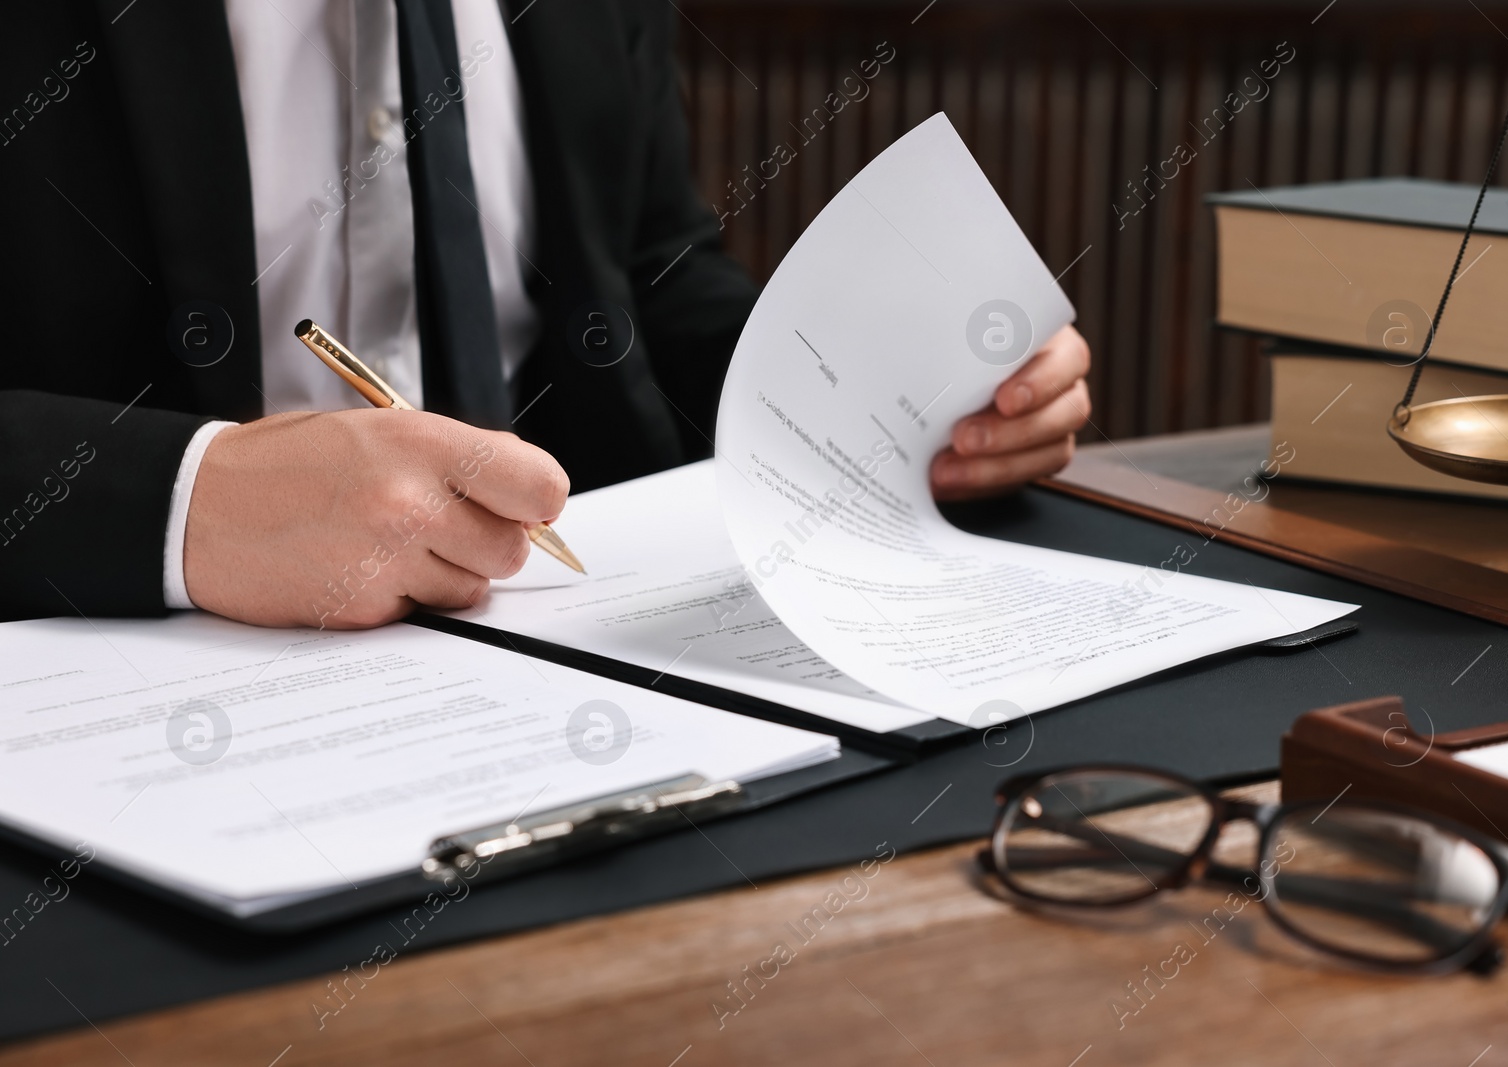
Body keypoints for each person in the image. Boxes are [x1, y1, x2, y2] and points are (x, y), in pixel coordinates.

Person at [0, 0, 1090, 628]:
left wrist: (878, 390)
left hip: (575, 634)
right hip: (122, 673)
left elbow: (648, 274)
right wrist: (190, 499)